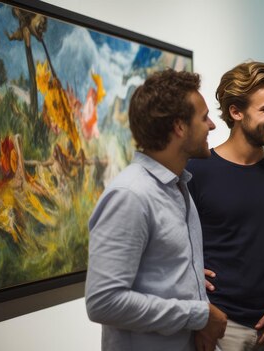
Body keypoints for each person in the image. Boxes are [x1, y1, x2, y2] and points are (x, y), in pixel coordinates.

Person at [85, 69, 227, 351]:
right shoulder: (130, 195)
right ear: (179, 127)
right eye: (203, 117)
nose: (211, 125)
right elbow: (103, 302)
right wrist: (199, 315)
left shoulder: (179, 187)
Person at [186, 61, 264, 350]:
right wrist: (190, 275)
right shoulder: (196, 171)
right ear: (236, 112)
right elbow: (174, 241)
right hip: (218, 325)